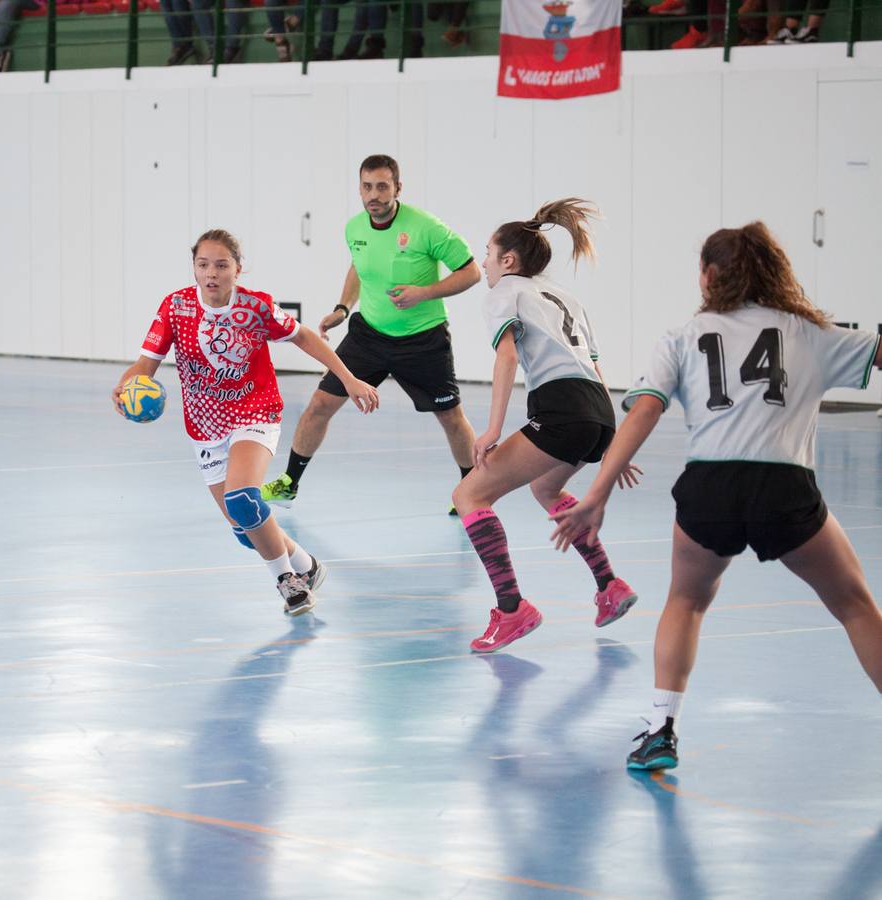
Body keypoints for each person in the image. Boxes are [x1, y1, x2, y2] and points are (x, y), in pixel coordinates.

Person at [550, 221, 882, 770]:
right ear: (773, 272)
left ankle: (661, 730)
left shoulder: (683, 335)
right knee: (855, 606)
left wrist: (596, 493)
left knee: (686, 602)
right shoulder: (809, 333)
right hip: (784, 488)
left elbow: (644, 412)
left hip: (709, 489)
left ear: (707, 275)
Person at [112, 229, 381, 616]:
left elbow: (304, 337)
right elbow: (146, 364)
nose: (212, 273)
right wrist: (126, 385)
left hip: (255, 412)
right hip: (205, 426)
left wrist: (349, 378)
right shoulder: (176, 307)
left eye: (222, 265)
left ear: (237, 269)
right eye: (203, 264)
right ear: (194, 268)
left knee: (243, 498)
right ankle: (307, 565)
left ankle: (289, 582)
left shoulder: (255, 308)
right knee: (245, 531)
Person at [450, 199, 641, 654]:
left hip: (561, 408)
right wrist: (613, 442)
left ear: (508, 260)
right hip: (598, 408)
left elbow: (508, 356)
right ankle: (609, 586)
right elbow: (593, 367)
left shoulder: (504, 293)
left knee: (469, 495)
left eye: (488, 254)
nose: (484, 263)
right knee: (547, 491)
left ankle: (512, 609)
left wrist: (492, 428)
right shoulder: (565, 298)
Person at [261, 154, 481, 513]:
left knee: (451, 417)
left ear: (398, 187)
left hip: (423, 339)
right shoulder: (355, 229)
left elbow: (471, 273)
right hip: (369, 336)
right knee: (318, 406)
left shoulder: (427, 227)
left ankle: (472, 491)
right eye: (367, 187)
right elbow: (358, 268)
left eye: (382, 186)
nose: (374, 195)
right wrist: (343, 308)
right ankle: (289, 483)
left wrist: (424, 293)